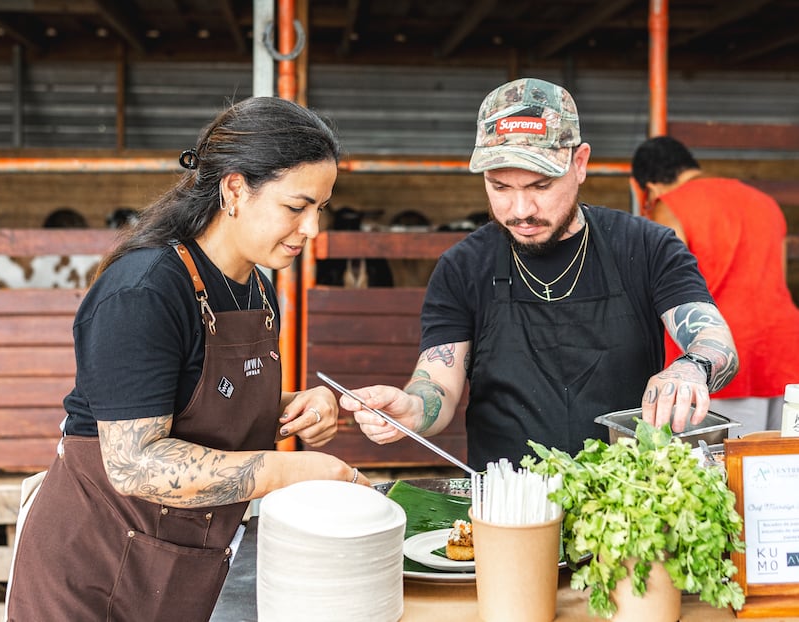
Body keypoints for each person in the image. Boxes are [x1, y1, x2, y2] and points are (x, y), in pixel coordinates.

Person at [6, 97, 369, 621]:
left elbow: (203, 405)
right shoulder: (146, 290)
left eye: (321, 208)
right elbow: (137, 462)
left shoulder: (256, 290)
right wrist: (295, 470)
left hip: (178, 569)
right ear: (235, 190)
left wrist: (298, 408)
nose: (313, 229)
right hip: (89, 575)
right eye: (297, 207)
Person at [339, 78, 739, 471]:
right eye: (499, 187)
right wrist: (411, 407)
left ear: (579, 164)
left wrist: (692, 367)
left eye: (540, 186)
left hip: (627, 500)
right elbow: (439, 385)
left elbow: (714, 339)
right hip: (511, 505)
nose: (520, 209)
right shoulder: (462, 267)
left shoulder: (646, 246)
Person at [631, 135, 799, 436]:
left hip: (725, 358)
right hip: (786, 351)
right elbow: (778, 279)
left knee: (727, 471)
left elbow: (663, 284)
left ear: (650, 187)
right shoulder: (764, 202)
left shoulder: (669, 207)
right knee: (783, 468)